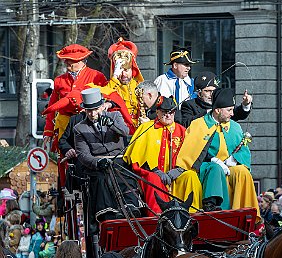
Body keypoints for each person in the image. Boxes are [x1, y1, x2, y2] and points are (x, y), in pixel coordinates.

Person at [175, 88, 260, 217]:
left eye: (232, 109)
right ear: (218, 110)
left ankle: (246, 214)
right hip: (204, 167)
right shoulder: (199, 124)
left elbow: (243, 151)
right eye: (229, 110)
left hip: (228, 167)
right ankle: (211, 205)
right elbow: (192, 152)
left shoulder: (235, 126)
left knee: (243, 172)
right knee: (215, 169)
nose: (232, 114)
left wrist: (234, 160)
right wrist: (214, 160)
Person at [74, 88, 140, 227]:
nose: (92, 114)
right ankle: (107, 211)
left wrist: (111, 124)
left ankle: (131, 205)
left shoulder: (115, 116)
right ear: (85, 110)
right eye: (89, 110)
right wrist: (98, 162)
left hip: (119, 159)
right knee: (100, 178)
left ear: (102, 107)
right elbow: (83, 154)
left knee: (126, 174)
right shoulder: (79, 128)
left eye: (95, 109)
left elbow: (125, 132)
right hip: (98, 163)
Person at [123, 96, 201, 214]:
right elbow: (137, 157)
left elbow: (189, 156)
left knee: (191, 176)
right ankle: (158, 215)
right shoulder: (146, 128)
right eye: (164, 112)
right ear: (158, 112)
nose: (168, 115)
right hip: (152, 174)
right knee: (153, 179)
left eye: (171, 112)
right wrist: (156, 171)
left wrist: (178, 170)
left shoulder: (182, 130)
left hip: (175, 177)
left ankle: (192, 213)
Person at [42, 44, 107, 152]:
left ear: (80, 61)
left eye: (69, 59)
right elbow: (51, 107)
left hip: (88, 124)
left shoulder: (97, 76)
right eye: (65, 59)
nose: (66, 62)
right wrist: (48, 130)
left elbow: (107, 98)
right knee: (65, 158)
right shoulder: (59, 80)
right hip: (65, 126)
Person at [180, 71, 252, 127]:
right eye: (207, 91)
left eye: (213, 91)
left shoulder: (221, 101)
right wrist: (209, 112)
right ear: (199, 93)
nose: (211, 94)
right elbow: (186, 124)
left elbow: (237, 114)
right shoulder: (189, 105)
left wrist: (245, 104)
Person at [103, 37, 144, 128]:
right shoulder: (110, 86)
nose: (123, 74)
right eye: (120, 70)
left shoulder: (140, 86)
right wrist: (115, 77)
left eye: (126, 70)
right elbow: (106, 95)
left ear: (133, 69)